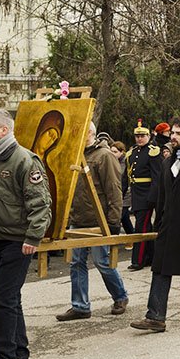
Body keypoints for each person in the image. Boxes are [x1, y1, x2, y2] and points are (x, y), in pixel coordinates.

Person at [0, 108, 52, 359]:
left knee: (3, 301)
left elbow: (40, 202)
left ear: (3, 130)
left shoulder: (24, 160)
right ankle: (20, 351)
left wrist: (33, 237)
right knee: (9, 298)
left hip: (17, 241)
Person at [131, 118, 180, 331]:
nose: (173, 137)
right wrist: (158, 225)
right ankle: (155, 317)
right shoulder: (167, 163)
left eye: (178, 134)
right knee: (160, 271)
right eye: (172, 133)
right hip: (168, 228)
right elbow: (162, 197)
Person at [56, 122, 128, 322]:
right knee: (76, 263)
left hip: (99, 220)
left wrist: (113, 222)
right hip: (77, 218)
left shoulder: (104, 156)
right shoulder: (75, 154)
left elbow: (114, 190)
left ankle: (120, 296)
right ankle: (80, 306)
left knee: (102, 262)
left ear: (89, 133)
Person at [123, 121, 161, 271]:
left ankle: (137, 260)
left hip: (147, 194)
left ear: (149, 136)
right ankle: (150, 257)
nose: (139, 139)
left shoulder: (153, 152)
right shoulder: (131, 154)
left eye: (142, 136)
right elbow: (126, 176)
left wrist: (152, 197)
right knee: (146, 227)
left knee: (141, 227)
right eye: (137, 136)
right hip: (136, 193)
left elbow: (157, 178)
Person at [109, 141, 135, 235]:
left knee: (118, 217)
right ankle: (131, 236)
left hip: (125, 194)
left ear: (121, 152)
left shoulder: (126, 162)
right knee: (125, 218)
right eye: (111, 151)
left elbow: (125, 179)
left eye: (115, 152)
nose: (112, 154)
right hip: (116, 193)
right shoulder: (111, 162)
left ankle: (114, 240)